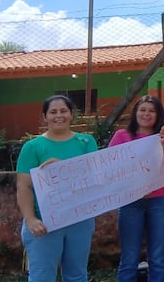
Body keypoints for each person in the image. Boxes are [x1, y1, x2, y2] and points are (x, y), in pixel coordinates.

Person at [16, 95, 98, 282]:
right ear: (45, 117)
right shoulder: (33, 147)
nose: (58, 116)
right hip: (44, 222)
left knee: (77, 276)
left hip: (79, 218)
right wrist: (30, 219)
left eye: (63, 111)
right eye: (53, 112)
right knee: (42, 277)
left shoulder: (86, 142)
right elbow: (24, 187)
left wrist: (64, 168)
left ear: (71, 115)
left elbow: (95, 177)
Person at [108, 95, 164, 282]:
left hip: (159, 201)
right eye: (142, 110)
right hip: (130, 202)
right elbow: (110, 169)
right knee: (129, 257)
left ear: (158, 115)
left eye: (151, 110)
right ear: (135, 113)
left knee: (158, 257)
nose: (146, 114)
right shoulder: (121, 136)